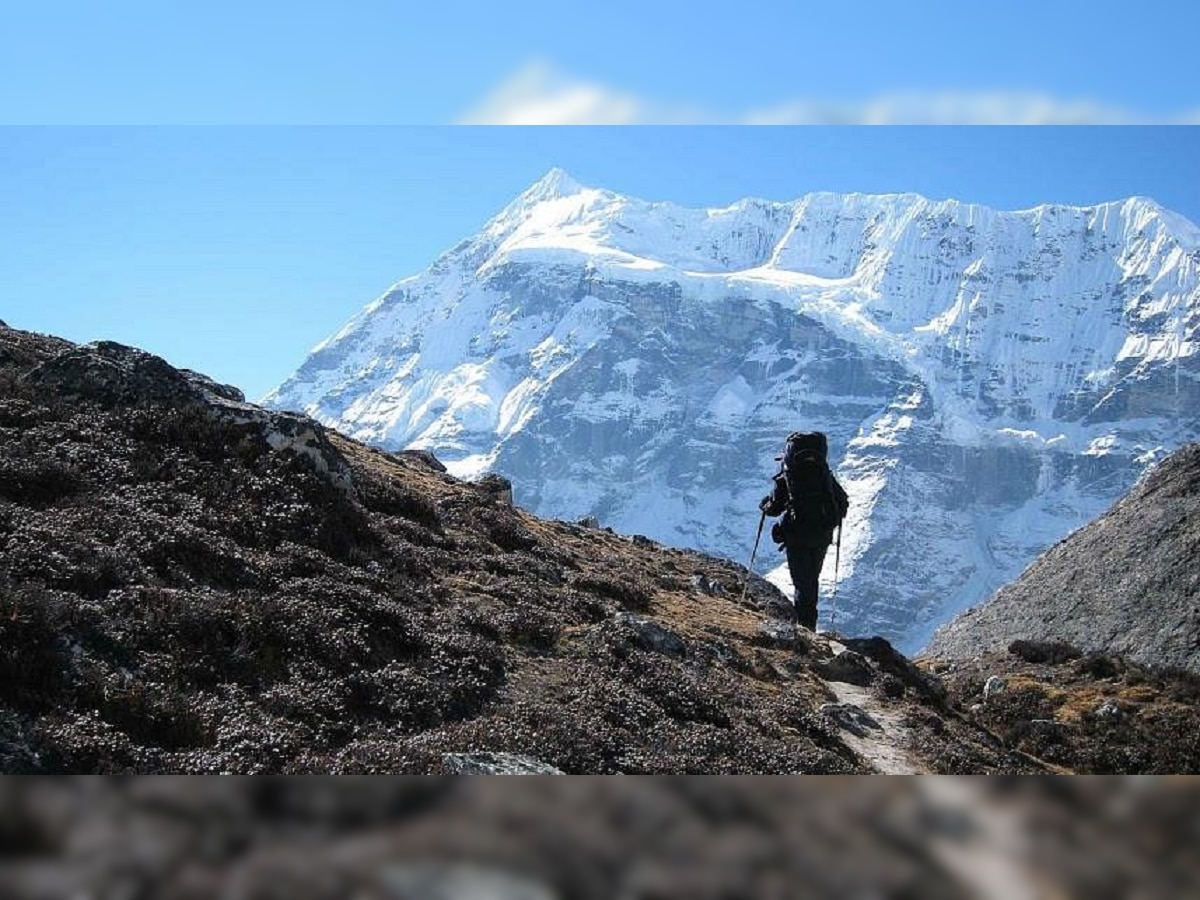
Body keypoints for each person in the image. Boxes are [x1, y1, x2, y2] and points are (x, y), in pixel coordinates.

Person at [759, 431, 849, 631]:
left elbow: (774, 507)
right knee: (811, 580)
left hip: (797, 536)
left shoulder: (789, 475)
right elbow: (842, 501)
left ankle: (804, 628)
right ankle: (810, 625)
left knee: (801, 582)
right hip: (821, 535)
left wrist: (764, 505)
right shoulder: (823, 474)